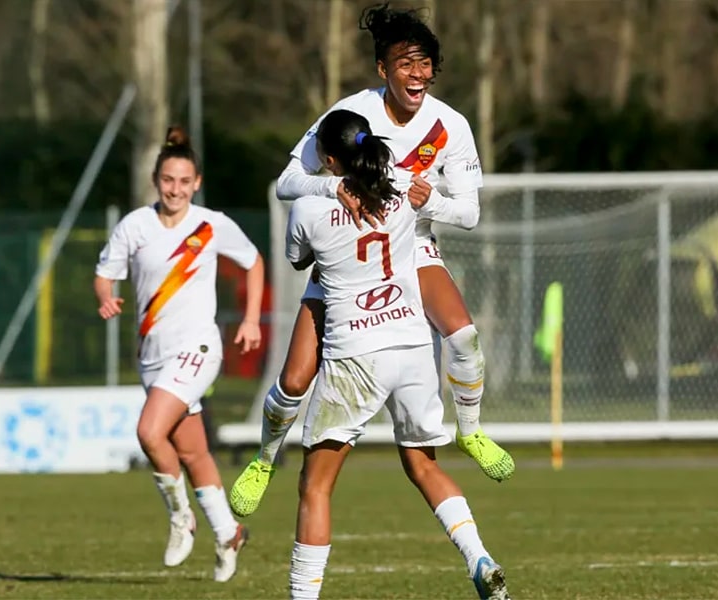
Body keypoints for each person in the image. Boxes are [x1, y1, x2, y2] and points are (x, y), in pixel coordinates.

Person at [230, 1, 514, 519]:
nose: (419, 74)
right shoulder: (351, 114)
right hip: (346, 254)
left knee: (464, 335)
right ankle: (264, 458)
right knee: (294, 380)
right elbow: (287, 182)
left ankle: (471, 433)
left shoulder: (450, 124)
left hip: (414, 246)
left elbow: (470, 213)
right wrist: (335, 184)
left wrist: (433, 203)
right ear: (383, 69)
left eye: (426, 63)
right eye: (406, 63)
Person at [285, 108, 511, 600]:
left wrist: (325, 195)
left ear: (326, 159)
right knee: (423, 465)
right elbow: (451, 211)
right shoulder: (405, 188)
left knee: (315, 485)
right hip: (411, 347)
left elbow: (299, 257)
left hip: (356, 354)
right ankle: (480, 557)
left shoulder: (306, 208)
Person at [94, 125, 260, 583]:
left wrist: (248, 319)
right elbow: (105, 273)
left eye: (185, 182)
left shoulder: (211, 224)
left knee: (150, 431)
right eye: (169, 180)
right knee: (193, 451)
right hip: (152, 354)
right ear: (156, 179)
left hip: (198, 347)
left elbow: (253, 261)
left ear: (197, 183)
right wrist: (105, 296)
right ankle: (228, 532)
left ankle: (180, 516)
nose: (176, 189)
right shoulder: (135, 226)